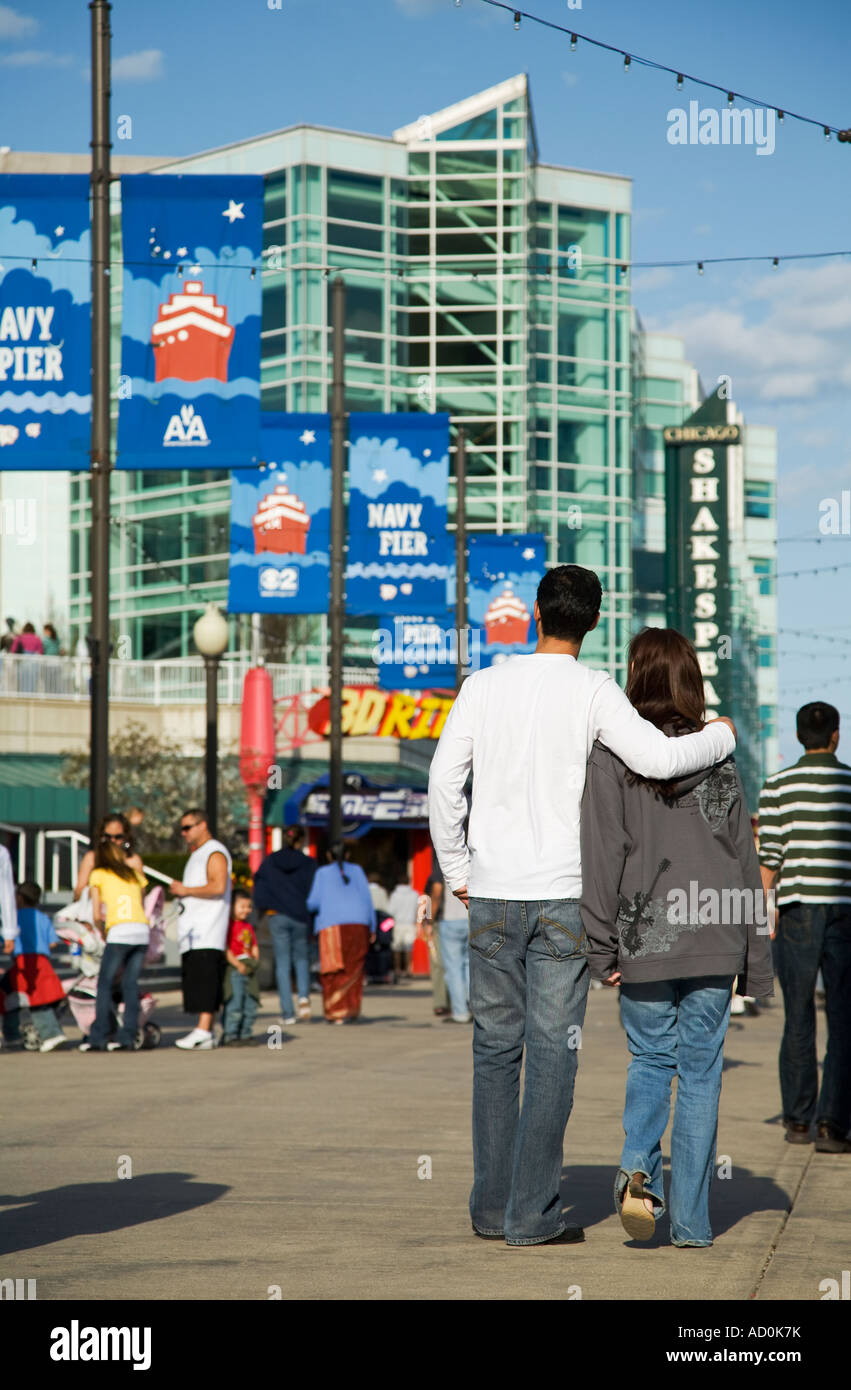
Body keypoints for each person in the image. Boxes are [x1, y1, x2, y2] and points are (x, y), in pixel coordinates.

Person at [428, 564, 738, 1248]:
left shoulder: (480, 686)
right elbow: (659, 761)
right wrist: (722, 734)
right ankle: (531, 1214)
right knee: (551, 1054)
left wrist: (457, 870)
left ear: (536, 614)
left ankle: (490, 1207)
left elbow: (444, 781)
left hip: (491, 894)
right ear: (592, 621)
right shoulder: (595, 691)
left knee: (491, 1049)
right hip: (563, 898)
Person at [580, 627, 774, 1247]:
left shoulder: (613, 759)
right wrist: (757, 957)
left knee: (650, 1058)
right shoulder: (718, 756)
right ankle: (691, 1222)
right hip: (717, 934)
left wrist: (599, 945)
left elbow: (603, 853)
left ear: (635, 679)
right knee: (700, 1072)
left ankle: (639, 1169)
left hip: (645, 937)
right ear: (691, 681)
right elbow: (746, 859)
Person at [758, 702, 851, 1154]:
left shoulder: (777, 786)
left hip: (795, 910)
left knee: (798, 1015)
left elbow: (769, 859)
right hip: (845, 911)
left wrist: (761, 917)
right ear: (835, 736)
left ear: (799, 737)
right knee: (843, 1019)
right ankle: (833, 1124)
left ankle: (798, 1120)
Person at [79, 827, 150, 1053]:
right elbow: (141, 901)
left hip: (119, 931)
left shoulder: (98, 874)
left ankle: (98, 1036)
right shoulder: (134, 875)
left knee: (105, 983)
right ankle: (127, 1037)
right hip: (141, 931)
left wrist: (102, 931)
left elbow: (97, 913)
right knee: (130, 985)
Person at [169, 809, 232, 1050]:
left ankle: (204, 1029)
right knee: (198, 981)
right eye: (182, 828)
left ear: (203, 825)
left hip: (208, 930)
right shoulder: (198, 854)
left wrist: (186, 891)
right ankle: (205, 1030)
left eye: (188, 827)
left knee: (206, 981)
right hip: (195, 930)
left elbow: (218, 886)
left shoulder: (214, 852)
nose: (184, 832)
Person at [252, 825, 317, 1025]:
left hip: (277, 916)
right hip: (300, 916)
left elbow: (259, 887)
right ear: (302, 840)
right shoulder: (309, 864)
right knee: (301, 959)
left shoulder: (270, 861)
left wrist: (262, 909)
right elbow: (314, 891)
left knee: (282, 963)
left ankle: (287, 1013)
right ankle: (304, 997)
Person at [306, 843, 375, 1024]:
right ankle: (351, 1010)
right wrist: (373, 927)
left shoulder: (322, 873)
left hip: (331, 927)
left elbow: (312, 903)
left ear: (329, 855)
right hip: (359, 925)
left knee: (333, 970)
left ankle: (336, 1012)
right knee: (355, 969)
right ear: (348, 854)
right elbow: (368, 900)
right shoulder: (358, 871)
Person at [1, 881, 68, 1052]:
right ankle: (14, 1036)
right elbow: (53, 943)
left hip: (24, 964)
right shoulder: (43, 917)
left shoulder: (14, 918)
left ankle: (50, 1034)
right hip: (42, 962)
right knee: (25, 999)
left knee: (24, 1000)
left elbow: (6, 940)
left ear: (19, 898)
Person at [74, 813, 144, 903]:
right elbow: (78, 893)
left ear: (126, 837)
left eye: (118, 837)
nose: (112, 841)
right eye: (107, 837)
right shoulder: (91, 858)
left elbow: (142, 893)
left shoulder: (133, 860)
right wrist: (97, 890)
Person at [221, 888, 260, 1046]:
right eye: (242, 906)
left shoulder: (248, 926)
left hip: (249, 968)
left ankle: (245, 1033)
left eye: (248, 906)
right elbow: (226, 949)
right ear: (232, 906)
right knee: (235, 1003)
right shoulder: (229, 925)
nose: (246, 910)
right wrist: (237, 964)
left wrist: (256, 958)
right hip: (235, 969)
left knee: (250, 1003)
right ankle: (230, 1034)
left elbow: (254, 945)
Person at [423, 867, 451, 1017]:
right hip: (463, 921)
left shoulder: (437, 873)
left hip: (440, 923)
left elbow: (434, 894)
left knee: (438, 963)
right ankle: (458, 1002)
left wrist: (428, 921)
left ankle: (441, 1003)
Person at [387, 873, 419, 980]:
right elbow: (417, 910)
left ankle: (397, 969)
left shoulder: (395, 895)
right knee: (408, 948)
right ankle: (408, 969)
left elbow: (390, 911)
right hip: (410, 923)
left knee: (396, 948)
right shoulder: (414, 894)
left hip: (397, 923)